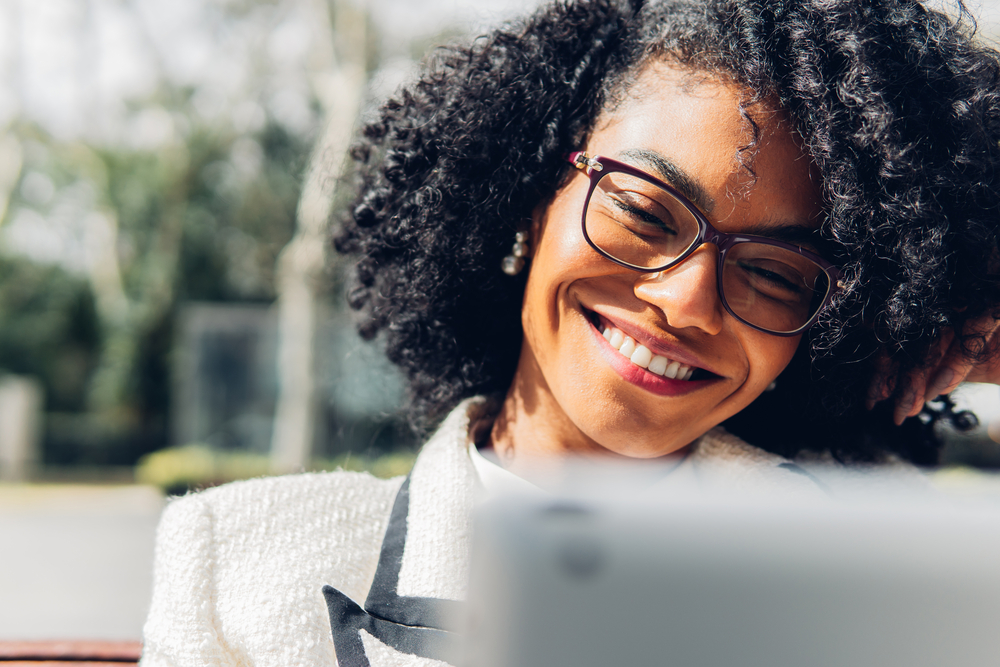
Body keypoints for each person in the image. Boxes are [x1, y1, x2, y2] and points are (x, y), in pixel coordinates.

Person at [139, 0, 1000, 665]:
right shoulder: (239, 561)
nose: (686, 299)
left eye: (776, 274)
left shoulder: (864, 564)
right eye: (640, 209)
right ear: (528, 195)